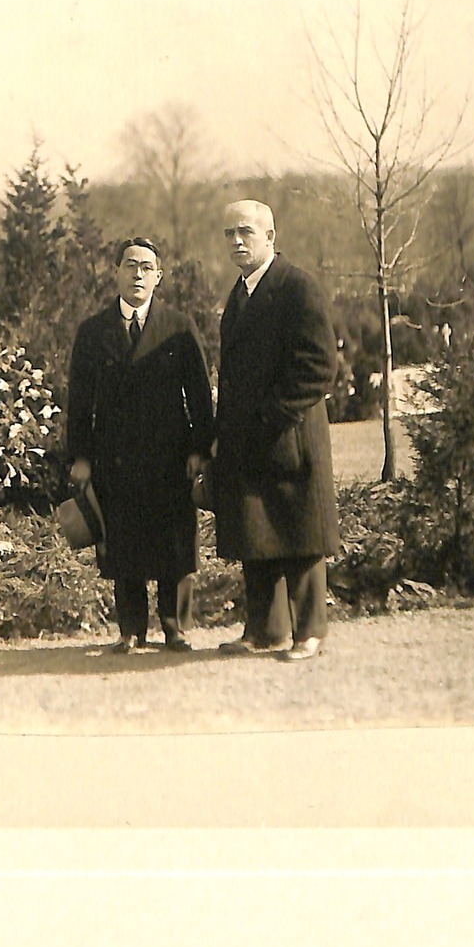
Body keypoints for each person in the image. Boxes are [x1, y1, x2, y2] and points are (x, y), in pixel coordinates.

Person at [66, 237, 214, 653]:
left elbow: (200, 395)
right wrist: (80, 457)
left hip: (170, 456)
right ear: (115, 272)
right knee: (123, 540)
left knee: (174, 543)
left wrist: (199, 449)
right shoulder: (93, 332)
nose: (138, 274)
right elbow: (78, 400)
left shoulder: (179, 327)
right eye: (130, 265)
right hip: (115, 456)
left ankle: (175, 627)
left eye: (146, 267)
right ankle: (130, 630)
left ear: (159, 277)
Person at [209, 200, 341, 661]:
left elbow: (320, 367)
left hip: (291, 435)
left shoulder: (297, 287)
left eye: (245, 232)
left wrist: (270, 416)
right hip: (249, 439)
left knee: (301, 535)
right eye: (229, 233)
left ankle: (310, 633)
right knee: (257, 534)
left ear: (271, 237)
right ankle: (264, 631)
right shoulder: (239, 293)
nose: (236, 241)